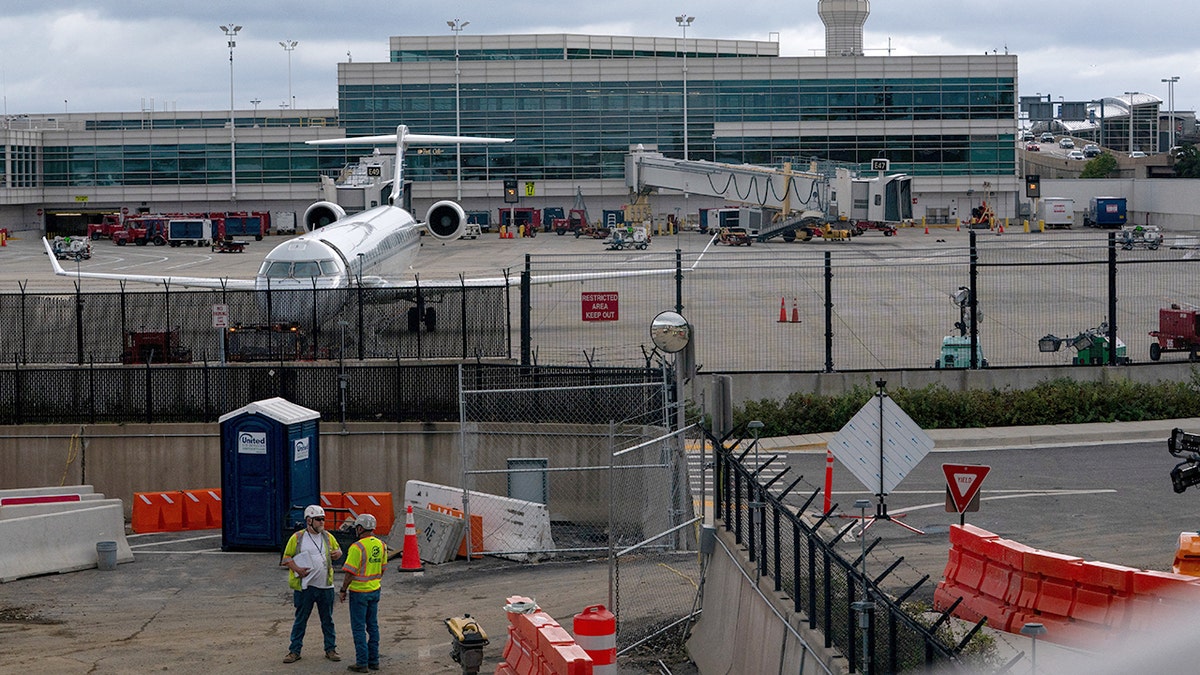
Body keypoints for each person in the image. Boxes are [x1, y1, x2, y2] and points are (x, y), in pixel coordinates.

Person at [281, 505, 343, 664]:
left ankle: (331, 649)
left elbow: (338, 551)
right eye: (319, 519)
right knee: (300, 620)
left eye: (323, 519)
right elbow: (286, 558)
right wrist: (298, 570)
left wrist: (338, 554)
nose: (322, 522)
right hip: (305, 587)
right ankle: (294, 651)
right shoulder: (298, 537)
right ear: (309, 520)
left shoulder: (328, 537)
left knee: (327, 620)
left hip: (325, 586)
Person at [340, 513, 387, 672]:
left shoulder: (357, 547)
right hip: (375, 590)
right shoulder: (381, 545)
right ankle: (374, 661)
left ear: (360, 528)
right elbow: (382, 568)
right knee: (372, 626)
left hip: (359, 593)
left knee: (359, 628)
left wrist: (343, 590)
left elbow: (350, 572)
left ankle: (362, 663)